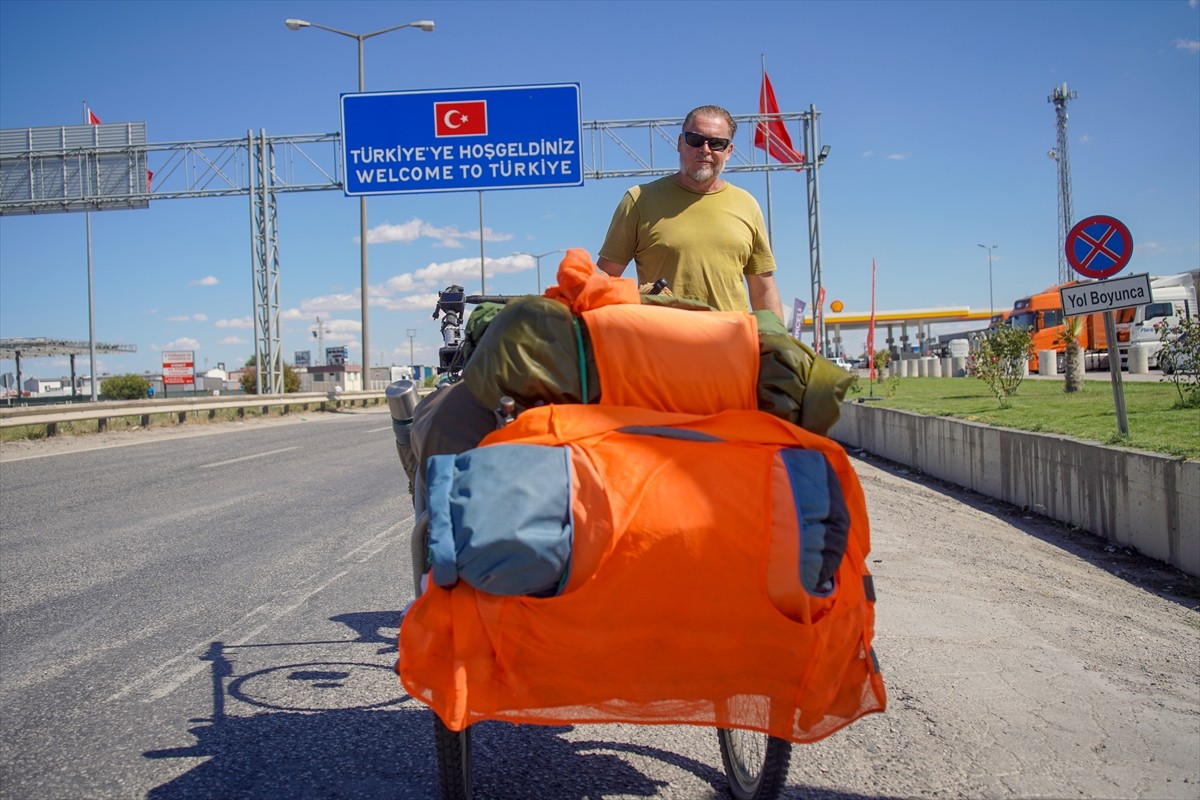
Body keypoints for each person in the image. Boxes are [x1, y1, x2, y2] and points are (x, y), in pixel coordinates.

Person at [596, 104, 785, 322]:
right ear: (679, 143)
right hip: (664, 346)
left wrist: (781, 348)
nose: (705, 149)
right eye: (695, 140)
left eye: (716, 143)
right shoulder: (639, 200)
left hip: (731, 347)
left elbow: (763, 290)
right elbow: (606, 277)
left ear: (729, 151)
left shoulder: (747, 205)